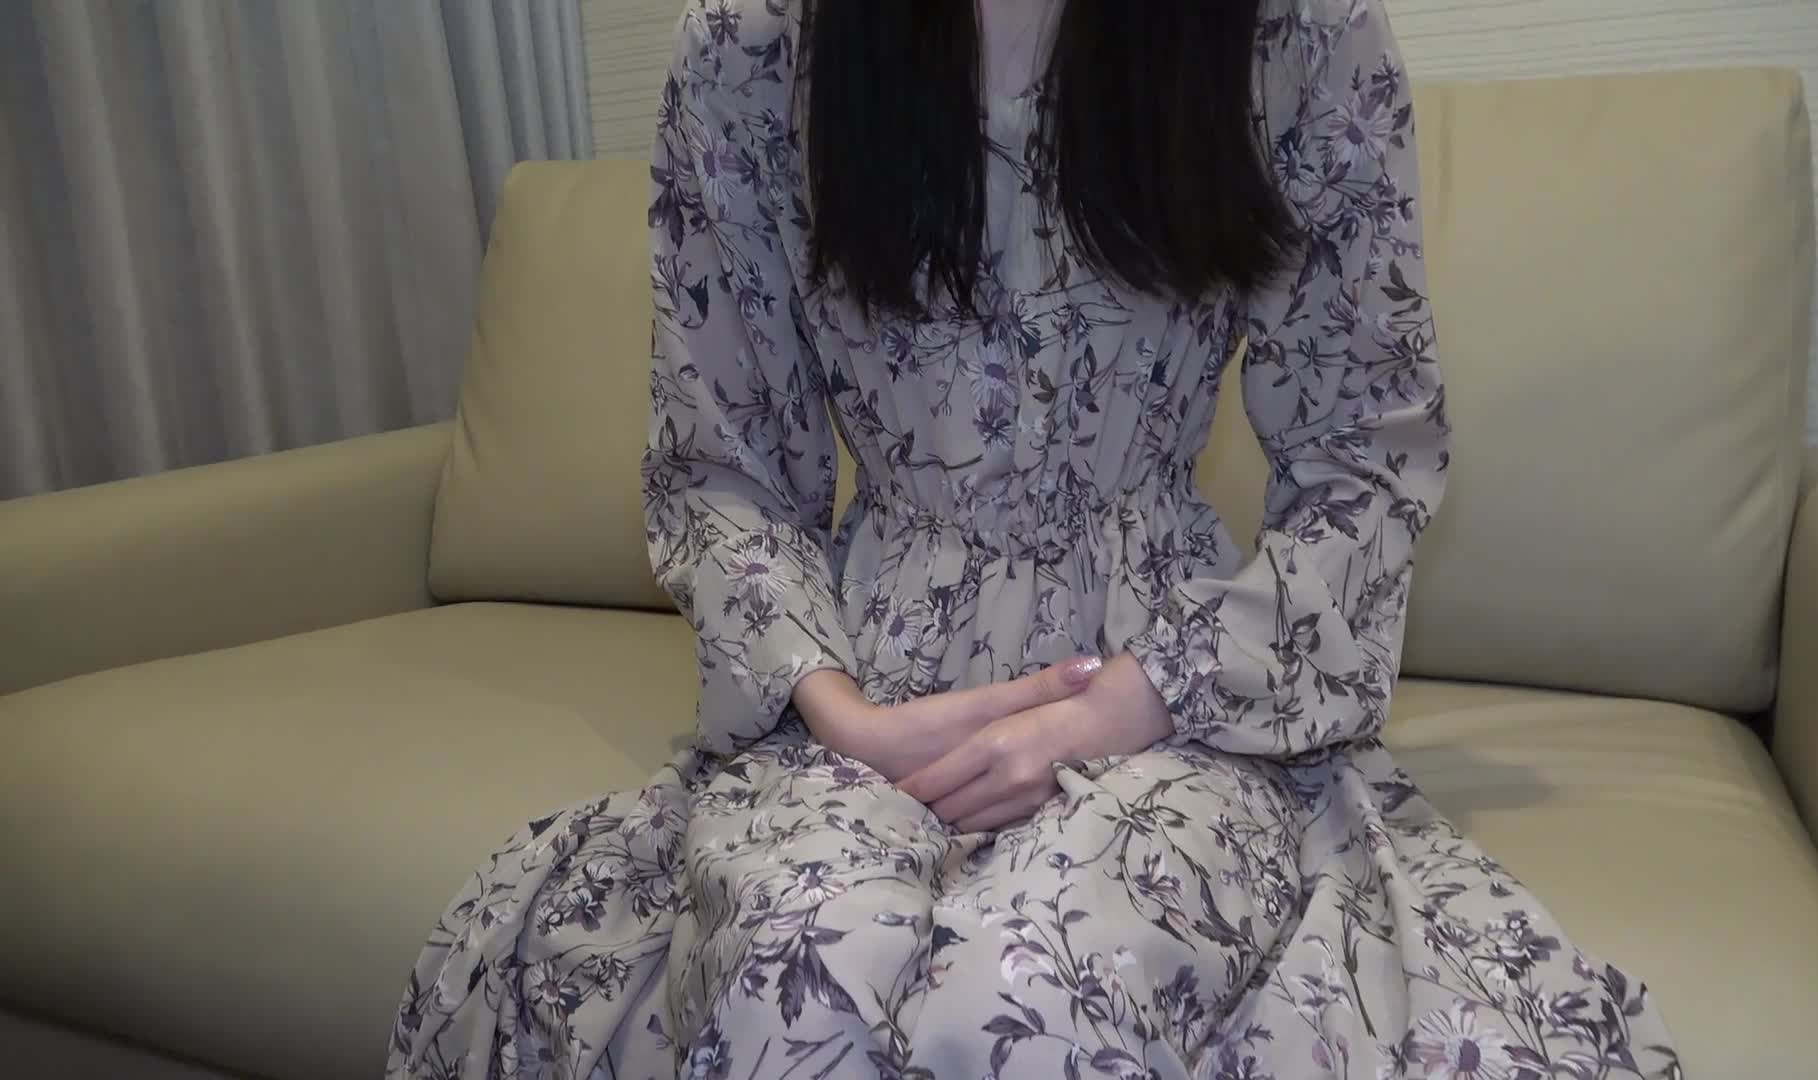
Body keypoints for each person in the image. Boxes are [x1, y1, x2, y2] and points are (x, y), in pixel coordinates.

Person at [389, 0, 1683, 1076]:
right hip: (861, 698)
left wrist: (1128, 703)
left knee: (1024, 999)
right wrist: (847, 719)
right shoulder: (754, 44)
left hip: (1175, 702)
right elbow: (722, 466)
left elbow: (1370, 456)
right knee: (792, 982)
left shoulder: (1288, 29)